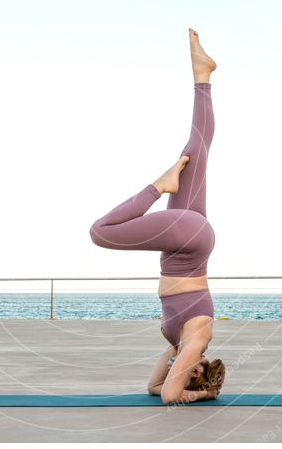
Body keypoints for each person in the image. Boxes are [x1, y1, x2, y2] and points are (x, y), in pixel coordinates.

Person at [89, 28, 226, 405]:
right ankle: (158, 185)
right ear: (201, 370)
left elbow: (154, 389)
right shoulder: (197, 340)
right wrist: (199, 395)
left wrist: (175, 375)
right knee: (100, 232)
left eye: (189, 376)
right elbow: (168, 396)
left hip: (189, 242)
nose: (188, 369)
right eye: (195, 373)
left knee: (196, 148)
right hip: (186, 242)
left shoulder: (177, 344)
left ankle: (203, 76)